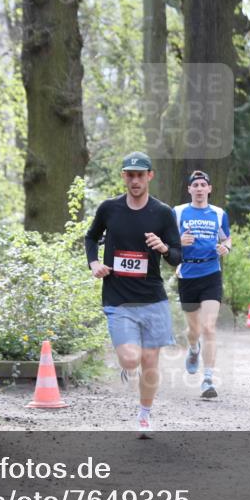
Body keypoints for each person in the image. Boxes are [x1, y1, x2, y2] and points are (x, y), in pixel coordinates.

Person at [85, 151, 182, 437]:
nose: (135, 180)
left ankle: (144, 414)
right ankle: (127, 365)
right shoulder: (109, 209)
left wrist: (163, 247)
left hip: (152, 298)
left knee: (150, 362)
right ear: (124, 177)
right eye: (130, 174)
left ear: (150, 176)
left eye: (141, 175)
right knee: (130, 359)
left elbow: (177, 256)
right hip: (118, 297)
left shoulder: (162, 213)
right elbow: (91, 237)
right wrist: (94, 263)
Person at [173, 170, 231, 399]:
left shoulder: (218, 213)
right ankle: (193, 349)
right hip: (187, 273)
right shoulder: (177, 212)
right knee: (193, 330)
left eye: (202, 185)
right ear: (189, 190)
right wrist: (178, 241)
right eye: (194, 185)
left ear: (209, 189)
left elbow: (226, 237)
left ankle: (208, 379)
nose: (199, 188)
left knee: (209, 327)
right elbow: (165, 240)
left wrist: (226, 247)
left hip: (211, 273)